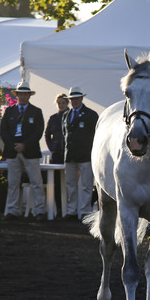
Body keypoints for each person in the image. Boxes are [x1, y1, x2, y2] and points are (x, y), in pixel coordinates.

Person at [1, 83, 46, 221]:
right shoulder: (9, 111)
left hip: (30, 151)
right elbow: (4, 130)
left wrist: (24, 145)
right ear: (17, 95)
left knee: (36, 182)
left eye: (25, 94)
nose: (23, 96)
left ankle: (39, 211)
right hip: (13, 151)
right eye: (20, 94)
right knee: (13, 183)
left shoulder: (36, 111)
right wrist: (13, 145)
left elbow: (38, 132)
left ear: (29, 95)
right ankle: (13, 210)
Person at [62, 86, 98, 221]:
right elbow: (65, 134)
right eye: (72, 99)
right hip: (70, 155)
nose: (74, 101)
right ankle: (72, 211)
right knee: (70, 185)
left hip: (85, 155)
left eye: (77, 98)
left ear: (82, 98)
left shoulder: (91, 114)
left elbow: (96, 135)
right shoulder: (66, 115)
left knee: (86, 185)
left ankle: (85, 211)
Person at [44, 93, 69, 165]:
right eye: (59, 103)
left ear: (67, 103)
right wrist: (51, 148)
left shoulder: (71, 116)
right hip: (56, 152)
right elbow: (47, 134)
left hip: (68, 152)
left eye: (63, 103)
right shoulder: (53, 118)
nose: (61, 105)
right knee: (56, 174)